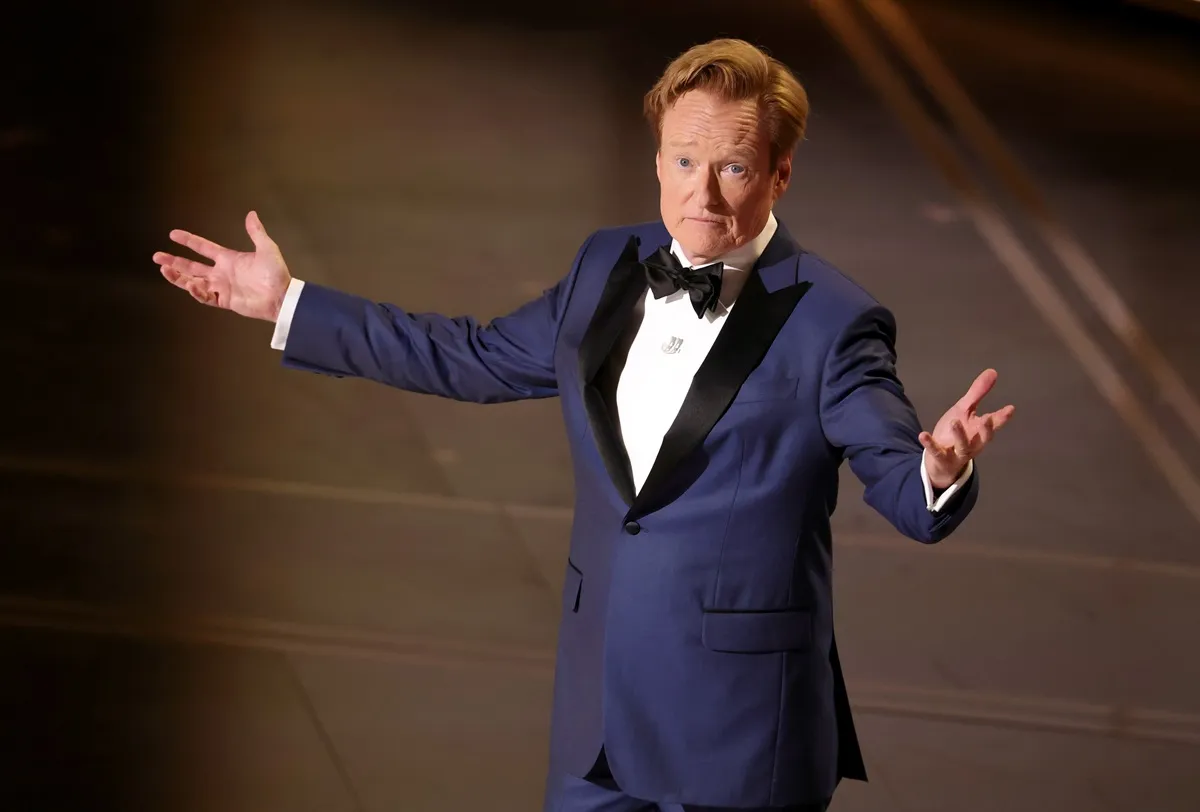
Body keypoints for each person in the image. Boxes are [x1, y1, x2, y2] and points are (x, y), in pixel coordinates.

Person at [154, 37, 1013, 812]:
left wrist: (941, 468)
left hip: (742, 735)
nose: (702, 193)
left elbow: (904, 483)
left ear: (779, 174)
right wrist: (288, 304)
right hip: (597, 723)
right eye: (684, 161)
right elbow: (474, 356)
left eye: (734, 168)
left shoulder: (834, 320)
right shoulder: (608, 263)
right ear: (657, 160)